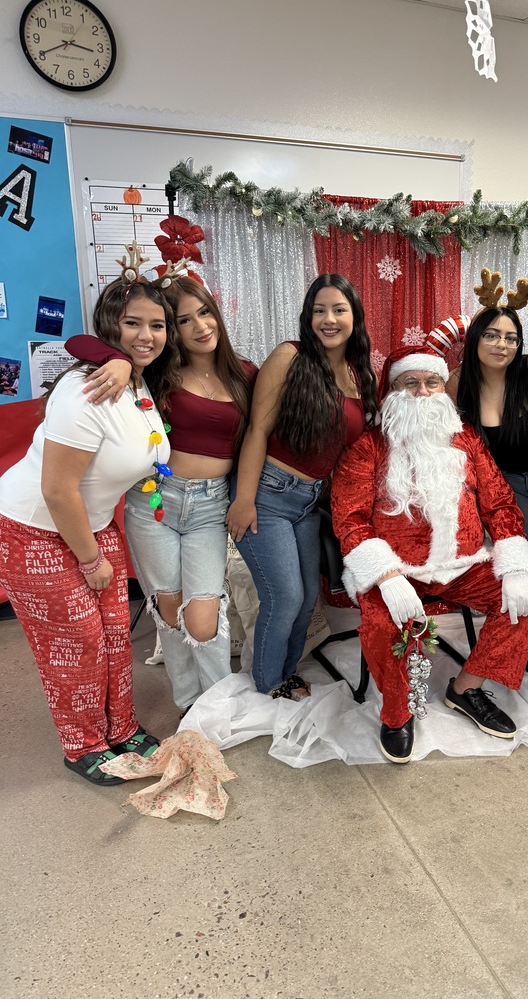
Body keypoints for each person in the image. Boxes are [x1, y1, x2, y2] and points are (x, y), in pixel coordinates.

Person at [0, 268, 180, 785]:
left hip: (94, 524)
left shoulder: (135, 380)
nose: (146, 335)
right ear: (111, 324)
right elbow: (58, 490)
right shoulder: (87, 388)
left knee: (115, 637)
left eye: (157, 325)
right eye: (132, 323)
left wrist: (122, 361)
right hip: (35, 529)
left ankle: (120, 728)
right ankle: (83, 745)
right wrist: (91, 559)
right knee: (76, 644)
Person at [331, 344, 528, 764]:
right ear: (392, 390)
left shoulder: (466, 439)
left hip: (463, 566)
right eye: (410, 382)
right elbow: (349, 519)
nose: (423, 391)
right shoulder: (368, 448)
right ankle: (396, 714)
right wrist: (385, 575)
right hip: (397, 570)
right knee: (381, 623)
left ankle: (466, 688)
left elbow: (500, 503)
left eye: (432, 382)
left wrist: (514, 561)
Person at [65, 278, 258, 716]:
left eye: (204, 313)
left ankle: (219, 706)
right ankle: (189, 703)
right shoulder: (157, 372)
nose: (200, 327)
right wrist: (115, 360)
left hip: (211, 506)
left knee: (203, 617)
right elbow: (78, 343)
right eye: (184, 320)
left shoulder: (245, 374)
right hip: (154, 500)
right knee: (169, 609)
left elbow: (260, 436)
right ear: (173, 330)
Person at [226, 273, 377, 700]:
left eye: (339, 310)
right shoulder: (289, 356)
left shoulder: (358, 374)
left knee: (308, 596)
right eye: (318, 310)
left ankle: (286, 673)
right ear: (307, 317)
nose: (329, 319)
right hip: (268, 494)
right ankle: (268, 684)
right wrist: (244, 500)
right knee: (285, 597)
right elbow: (257, 430)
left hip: (309, 503)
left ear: (354, 316)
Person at [447, 279, 528, 675]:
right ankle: (513, 639)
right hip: (508, 489)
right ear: (475, 339)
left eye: (510, 337)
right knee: (519, 569)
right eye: (491, 335)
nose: (501, 344)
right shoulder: (459, 383)